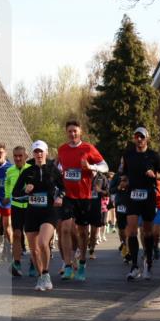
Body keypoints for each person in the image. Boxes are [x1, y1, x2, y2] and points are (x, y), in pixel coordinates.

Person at [56, 120, 108, 281]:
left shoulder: (88, 148)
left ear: (80, 132)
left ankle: (82, 263)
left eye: (75, 131)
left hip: (84, 197)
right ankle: (67, 265)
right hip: (68, 196)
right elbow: (58, 167)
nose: (72, 134)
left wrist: (91, 167)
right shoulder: (62, 149)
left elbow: (105, 166)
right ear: (66, 132)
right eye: (70, 131)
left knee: (83, 232)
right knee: (65, 229)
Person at [12, 141, 64, 291]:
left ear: (46, 152)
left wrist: (60, 197)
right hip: (32, 212)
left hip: (49, 211)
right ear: (33, 154)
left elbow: (63, 188)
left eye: (41, 151)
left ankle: (46, 273)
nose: (39, 154)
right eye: (36, 152)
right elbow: (15, 194)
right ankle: (41, 277)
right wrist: (25, 191)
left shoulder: (53, 170)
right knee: (34, 249)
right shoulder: (27, 171)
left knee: (42, 242)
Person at [118, 127, 160, 281]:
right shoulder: (128, 155)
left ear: (147, 138)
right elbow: (123, 173)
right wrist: (124, 181)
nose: (139, 139)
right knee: (131, 231)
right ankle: (134, 266)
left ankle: (148, 263)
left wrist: (155, 175)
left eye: (142, 137)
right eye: (137, 136)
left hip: (148, 195)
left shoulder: (154, 155)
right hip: (132, 194)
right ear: (134, 138)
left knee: (147, 231)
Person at [3, 146, 31, 277]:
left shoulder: (31, 169)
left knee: (32, 236)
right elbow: (7, 184)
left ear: (26, 156)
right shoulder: (10, 170)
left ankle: (33, 262)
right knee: (17, 234)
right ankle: (17, 263)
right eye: (15, 156)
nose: (18, 158)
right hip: (16, 205)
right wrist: (7, 196)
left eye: (20, 156)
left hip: (30, 206)